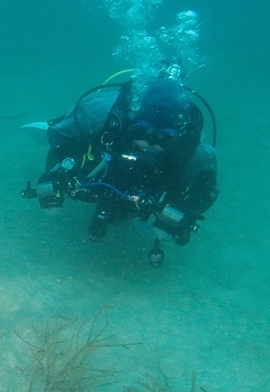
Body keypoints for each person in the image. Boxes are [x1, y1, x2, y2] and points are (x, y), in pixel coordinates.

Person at [22, 73, 219, 265]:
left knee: (163, 216)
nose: (151, 145)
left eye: (164, 139)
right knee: (71, 155)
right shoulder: (98, 113)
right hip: (104, 163)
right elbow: (59, 136)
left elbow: (206, 188)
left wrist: (187, 211)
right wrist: (55, 171)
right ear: (132, 123)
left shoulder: (190, 149)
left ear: (176, 137)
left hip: (151, 184)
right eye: (145, 133)